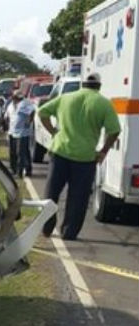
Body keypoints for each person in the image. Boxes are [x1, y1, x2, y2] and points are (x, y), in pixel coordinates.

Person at [38, 73, 120, 240]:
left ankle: (46, 228)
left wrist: (53, 131)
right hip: (85, 158)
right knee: (78, 198)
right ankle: (69, 232)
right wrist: (103, 151)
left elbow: (42, 112)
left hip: (60, 152)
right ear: (99, 86)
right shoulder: (104, 103)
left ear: (82, 84)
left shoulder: (65, 98)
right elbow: (114, 130)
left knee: (52, 192)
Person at [4, 89, 35, 177]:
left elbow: (32, 111)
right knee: (13, 152)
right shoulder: (10, 105)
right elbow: (7, 116)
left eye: (19, 98)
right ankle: (14, 169)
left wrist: (29, 121)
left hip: (22, 132)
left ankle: (20, 171)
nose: (18, 99)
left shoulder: (24, 103)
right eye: (16, 97)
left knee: (21, 153)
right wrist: (7, 125)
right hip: (12, 131)